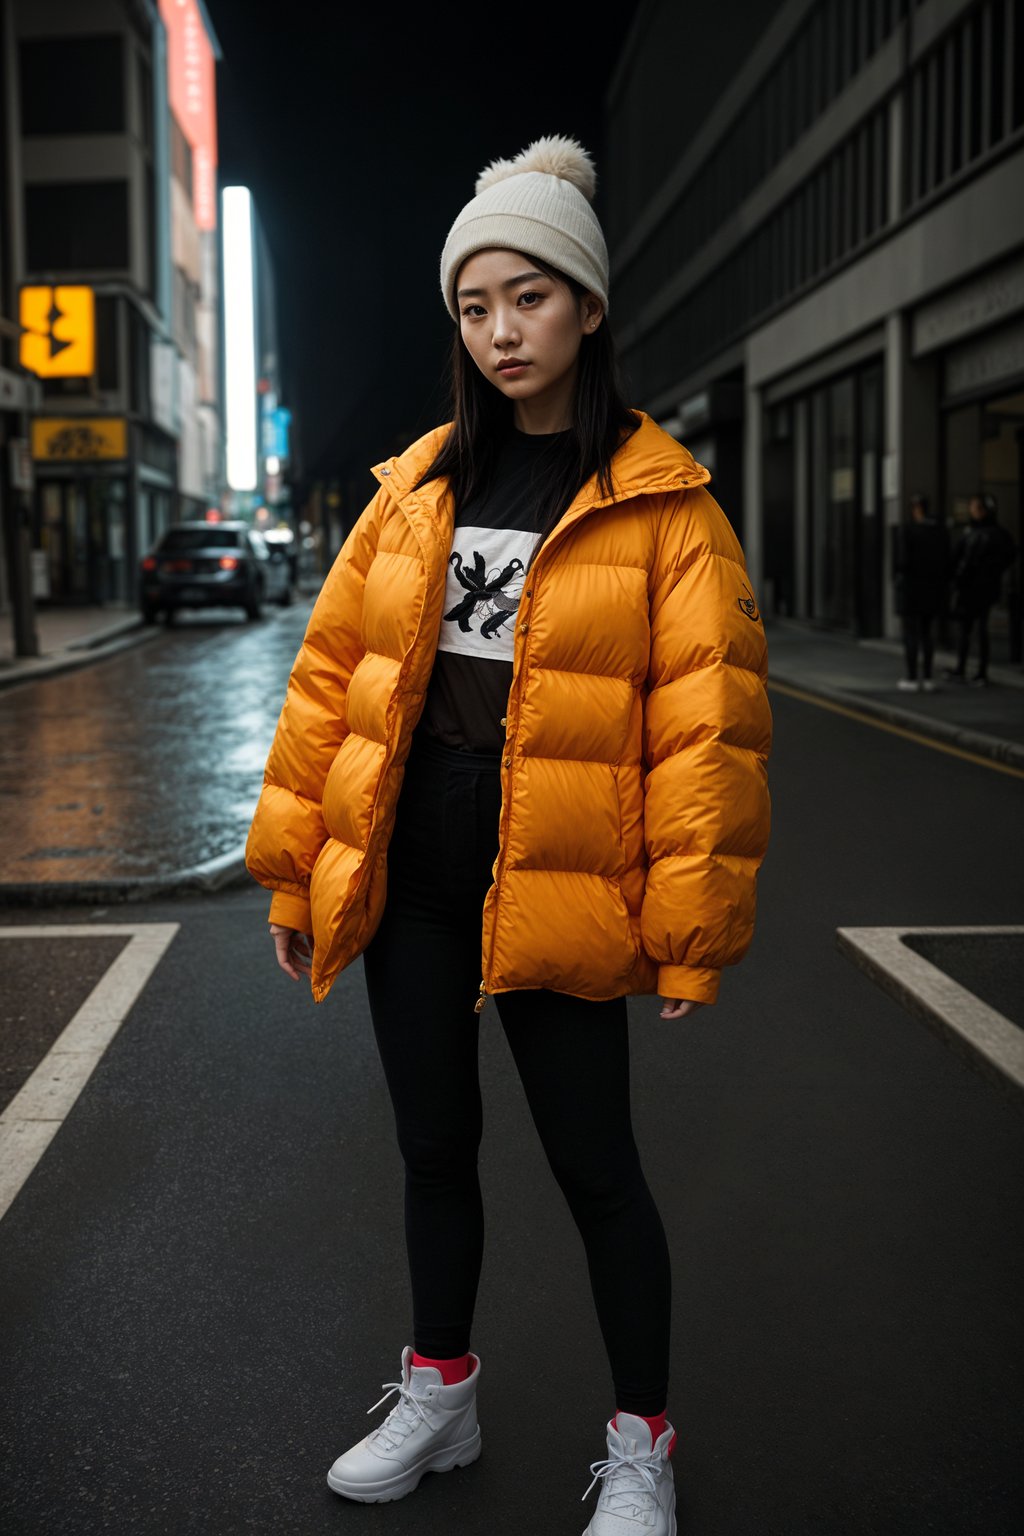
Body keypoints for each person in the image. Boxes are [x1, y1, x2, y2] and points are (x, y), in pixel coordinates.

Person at [245, 135, 772, 1535]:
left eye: (528, 299)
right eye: (475, 307)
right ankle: (442, 1391)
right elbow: (330, 691)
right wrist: (302, 867)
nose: (500, 332)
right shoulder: (414, 489)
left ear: (588, 305)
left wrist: (689, 933)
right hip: (414, 882)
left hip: (560, 885)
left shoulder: (662, 506)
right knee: (432, 1148)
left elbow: (704, 733)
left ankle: (643, 1442)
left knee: (598, 1172)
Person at [944, 492, 1017, 687]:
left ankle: (968, 669)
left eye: (975, 508)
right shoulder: (997, 534)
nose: (972, 511)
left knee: (971, 630)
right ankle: (975, 671)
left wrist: (958, 579)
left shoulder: (977, 534)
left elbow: (958, 561)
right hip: (984, 588)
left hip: (974, 588)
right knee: (976, 629)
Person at [892, 492, 950, 692]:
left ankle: (911, 677)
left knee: (911, 634)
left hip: (911, 589)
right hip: (933, 589)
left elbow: (901, 562)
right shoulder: (939, 531)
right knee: (927, 634)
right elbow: (947, 560)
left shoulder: (907, 530)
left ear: (915, 509)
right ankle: (927, 677)